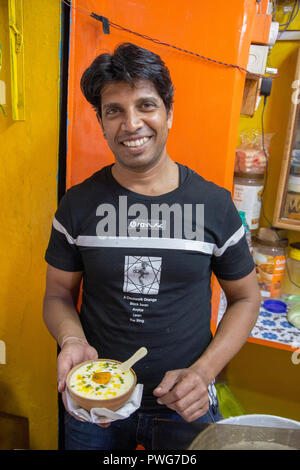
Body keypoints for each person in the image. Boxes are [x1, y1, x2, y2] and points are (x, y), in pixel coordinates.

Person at [43, 42, 261, 450]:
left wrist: (205, 372)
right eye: (114, 111)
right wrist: (72, 340)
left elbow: (246, 298)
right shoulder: (78, 204)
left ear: (168, 113)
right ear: (102, 122)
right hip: (98, 404)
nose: (131, 124)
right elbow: (57, 294)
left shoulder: (214, 205)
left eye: (146, 105)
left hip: (185, 403)